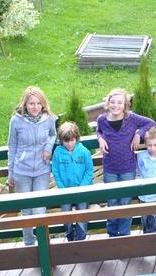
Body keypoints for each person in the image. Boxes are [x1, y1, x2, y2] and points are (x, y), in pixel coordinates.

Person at [96, 88, 156, 237]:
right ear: (108, 103)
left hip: (127, 168)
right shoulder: (102, 119)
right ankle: (112, 234)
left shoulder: (131, 118)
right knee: (112, 202)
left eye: (120, 103)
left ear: (125, 105)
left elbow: (150, 123)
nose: (116, 105)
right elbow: (99, 131)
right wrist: (100, 138)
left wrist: (138, 134)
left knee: (125, 203)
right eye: (113, 102)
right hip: (110, 168)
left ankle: (124, 235)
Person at [7, 86, 57, 246]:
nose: (35, 107)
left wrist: (48, 148)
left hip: (42, 169)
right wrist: (11, 172)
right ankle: (28, 242)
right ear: (25, 105)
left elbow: (53, 134)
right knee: (27, 209)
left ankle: (43, 243)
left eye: (38, 103)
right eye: (31, 104)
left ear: (43, 104)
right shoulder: (16, 120)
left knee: (39, 209)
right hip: (22, 170)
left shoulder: (48, 118)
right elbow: (12, 147)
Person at [51, 121, 95, 241]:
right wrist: (62, 187)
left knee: (82, 215)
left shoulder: (84, 151)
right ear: (61, 141)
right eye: (66, 141)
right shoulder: (57, 153)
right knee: (66, 214)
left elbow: (89, 171)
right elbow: (55, 171)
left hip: (82, 190)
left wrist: (82, 187)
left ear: (76, 138)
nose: (70, 144)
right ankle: (69, 235)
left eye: (72, 140)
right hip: (65, 191)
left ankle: (80, 238)